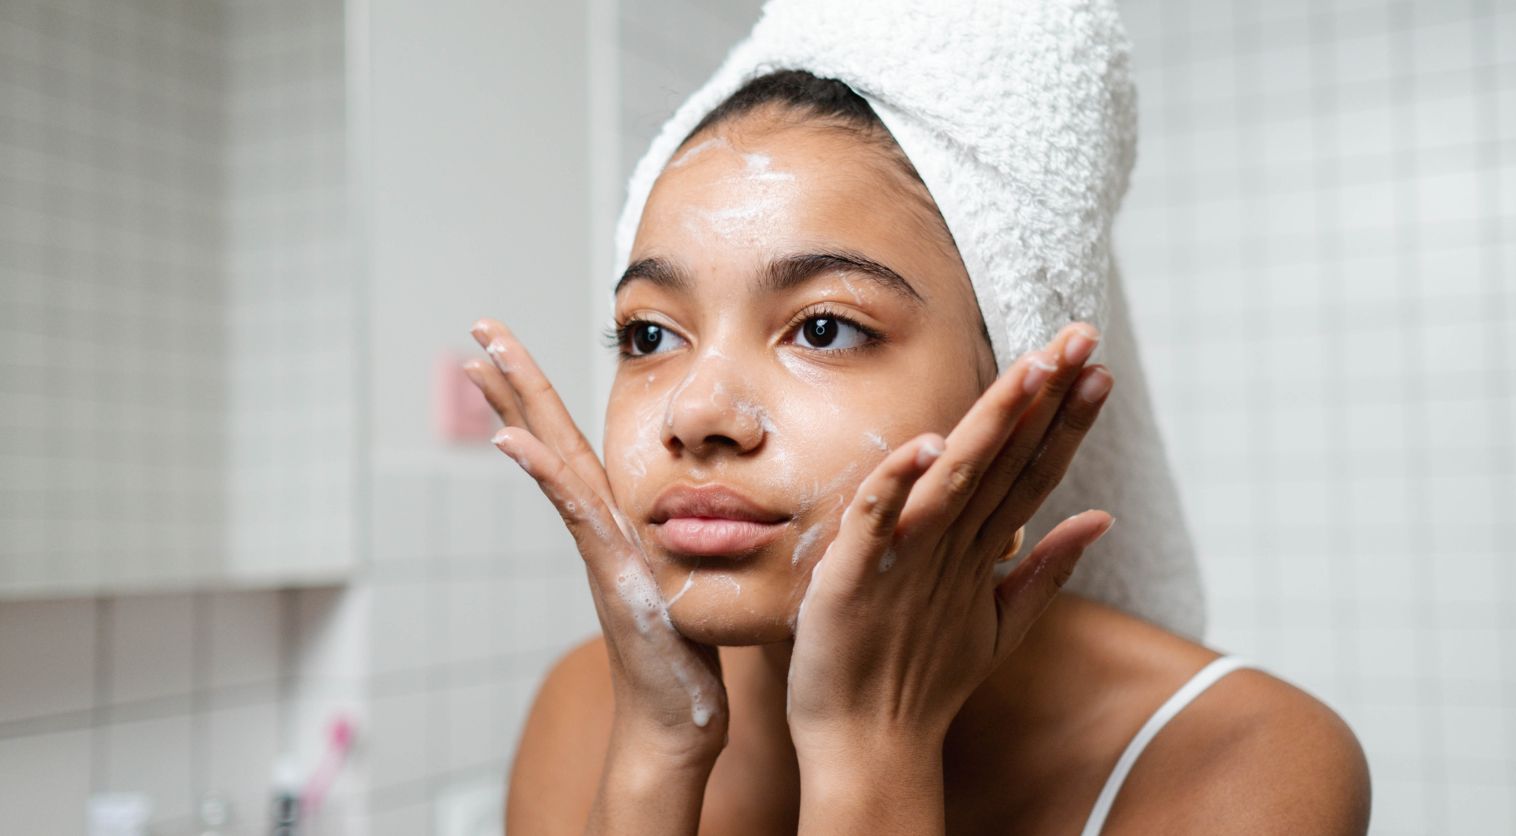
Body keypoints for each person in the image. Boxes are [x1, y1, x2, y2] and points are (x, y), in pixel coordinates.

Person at [463, 68, 1370, 834]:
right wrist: (655, 761)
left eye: (823, 327)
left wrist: (872, 750)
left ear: (1017, 398)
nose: (698, 412)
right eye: (651, 336)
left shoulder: (1240, 762)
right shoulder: (591, 715)